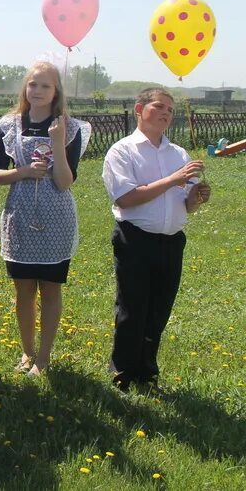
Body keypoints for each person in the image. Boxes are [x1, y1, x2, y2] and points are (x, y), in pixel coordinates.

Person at [102, 87, 211, 394]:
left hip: (171, 241)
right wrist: (174, 180)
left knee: (158, 311)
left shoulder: (178, 154)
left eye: (170, 110)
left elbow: (184, 203)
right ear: (139, 108)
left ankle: (147, 374)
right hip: (135, 239)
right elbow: (126, 198)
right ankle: (123, 373)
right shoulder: (122, 151)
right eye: (159, 106)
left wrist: (195, 196)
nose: (166, 113)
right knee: (132, 308)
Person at [0, 61, 90, 376]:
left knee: (50, 288)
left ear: (56, 91)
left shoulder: (69, 127)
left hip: (56, 218)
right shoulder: (9, 125)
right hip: (19, 215)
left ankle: (44, 356)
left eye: (45, 86)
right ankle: (27, 351)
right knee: (23, 290)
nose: (37, 91)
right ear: (25, 88)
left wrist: (58, 144)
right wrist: (22, 172)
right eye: (32, 84)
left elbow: (64, 181)